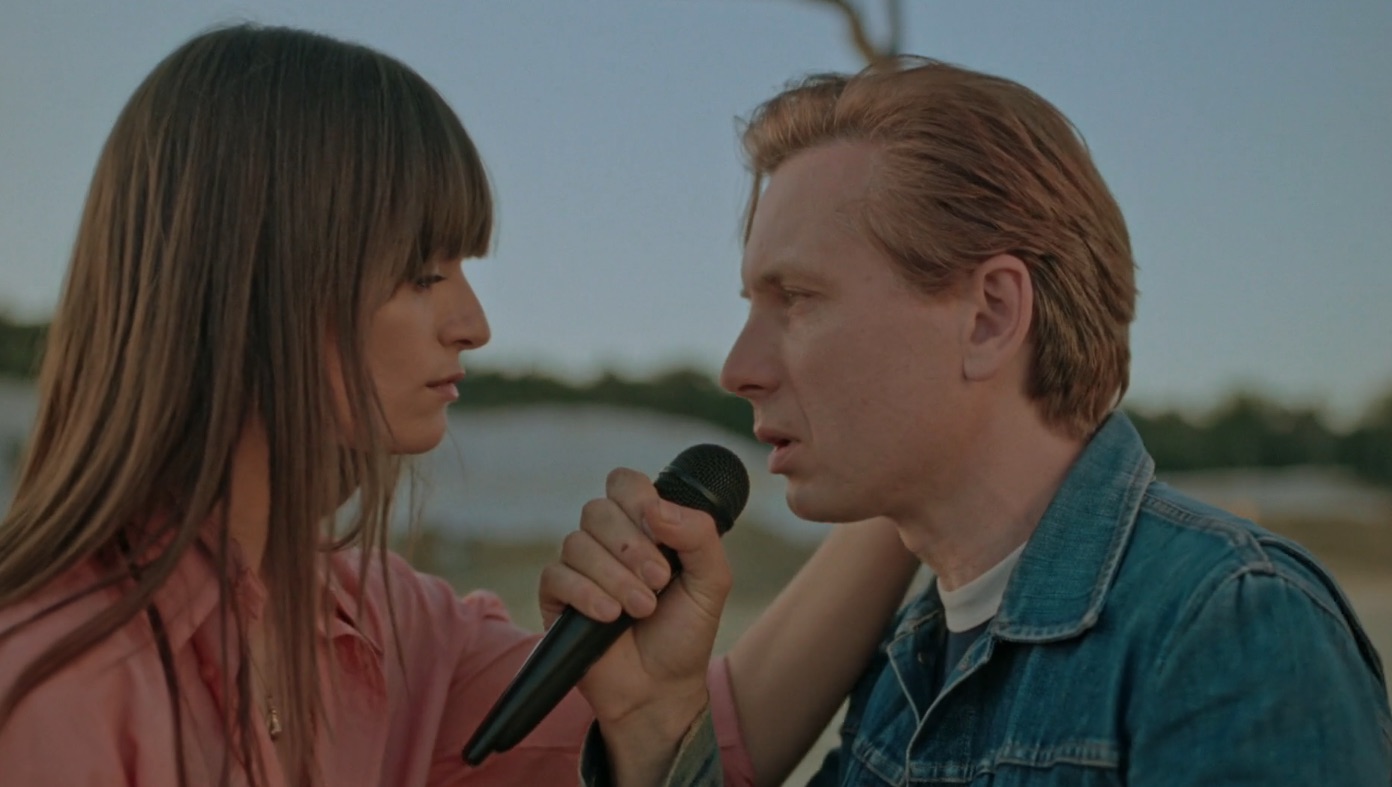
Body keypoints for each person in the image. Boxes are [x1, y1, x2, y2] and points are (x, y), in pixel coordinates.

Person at [0, 25, 921, 786]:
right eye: (423, 272)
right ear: (253, 283)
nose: (473, 324)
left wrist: (911, 477)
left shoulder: (388, 625)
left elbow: (705, 744)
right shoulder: (57, 684)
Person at [553, 57, 1392, 784]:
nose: (740, 368)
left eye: (798, 299)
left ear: (990, 314)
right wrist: (659, 721)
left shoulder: (1229, 628)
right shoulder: (910, 654)